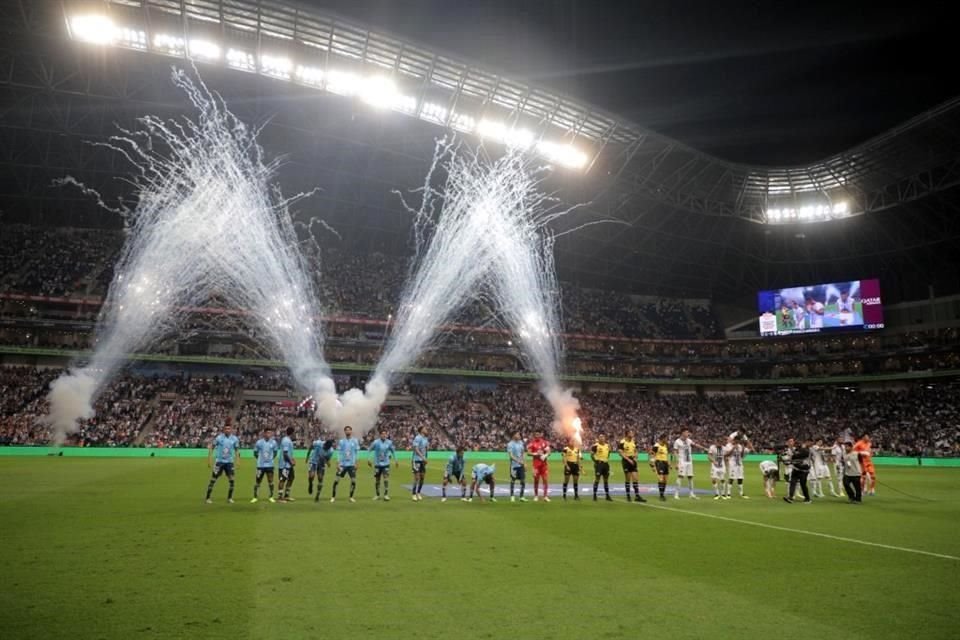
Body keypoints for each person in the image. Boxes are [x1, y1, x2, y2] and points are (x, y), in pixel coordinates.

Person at [205, 418, 240, 504]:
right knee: (213, 479)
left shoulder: (234, 439)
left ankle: (229, 498)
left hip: (229, 462)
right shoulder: (219, 438)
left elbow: (236, 450)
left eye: (229, 429)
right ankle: (208, 498)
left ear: (231, 429)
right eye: (226, 429)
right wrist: (209, 459)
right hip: (219, 462)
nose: (227, 430)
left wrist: (238, 461)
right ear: (224, 429)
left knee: (232, 479)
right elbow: (211, 448)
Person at [331, 425, 360, 503]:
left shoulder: (355, 441)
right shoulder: (341, 441)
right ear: (344, 432)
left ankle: (351, 497)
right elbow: (339, 453)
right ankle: (333, 496)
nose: (348, 431)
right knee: (336, 480)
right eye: (346, 430)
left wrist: (357, 463)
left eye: (349, 430)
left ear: (351, 431)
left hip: (351, 464)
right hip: (342, 464)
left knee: (353, 480)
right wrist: (338, 463)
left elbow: (357, 453)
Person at [368, 428, 397, 501]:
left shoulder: (389, 442)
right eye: (383, 434)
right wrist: (369, 459)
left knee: (386, 479)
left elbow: (393, 451)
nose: (384, 435)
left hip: (386, 464)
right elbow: (370, 450)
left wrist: (396, 460)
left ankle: (386, 495)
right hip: (377, 464)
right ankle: (377, 495)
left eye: (385, 434)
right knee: (377, 480)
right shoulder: (376, 442)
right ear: (380, 435)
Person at [251, 427, 277, 504]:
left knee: (270, 480)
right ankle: (255, 497)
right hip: (260, 466)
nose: (269, 434)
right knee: (258, 481)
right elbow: (255, 453)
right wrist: (259, 460)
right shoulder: (259, 442)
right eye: (267, 433)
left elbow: (275, 453)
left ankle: (271, 496)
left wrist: (270, 459)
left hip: (270, 465)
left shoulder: (274, 443)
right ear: (264, 433)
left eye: (270, 433)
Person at [673, 428, 700, 500]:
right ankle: (676, 494)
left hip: (689, 461)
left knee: (690, 477)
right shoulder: (677, 441)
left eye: (688, 432)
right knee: (680, 476)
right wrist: (677, 462)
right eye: (686, 432)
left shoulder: (689, 440)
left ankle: (691, 494)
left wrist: (704, 448)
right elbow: (675, 452)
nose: (688, 433)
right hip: (682, 461)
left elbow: (695, 445)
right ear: (682, 433)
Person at [722, 434, 752, 499]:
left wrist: (743, 449)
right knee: (731, 478)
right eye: (736, 441)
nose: (737, 442)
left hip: (739, 464)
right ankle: (728, 493)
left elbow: (741, 455)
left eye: (738, 441)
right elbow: (726, 454)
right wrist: (733, 448)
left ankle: (741, 493)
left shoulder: (739, 446)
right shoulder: (728, 445)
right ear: (734, 440)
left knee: (740, 478)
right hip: (732, 464)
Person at [618, 430, 643, 502]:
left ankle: (637, 496)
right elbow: (620, 453)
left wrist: (635, 457)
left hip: (633, 460)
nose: (632, 434)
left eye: (632, 433)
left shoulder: (634, 441)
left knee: (635, 478)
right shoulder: (622, 442)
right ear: (627, 434)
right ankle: (628, 495)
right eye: (631, 433)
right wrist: (629, 460)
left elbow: (636, 450)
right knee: (628, 479)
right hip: (626, 461)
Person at [783, 439, 812, 504]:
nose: (798, 445)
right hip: (796, 469)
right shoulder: (798, 450)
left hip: (803, 471)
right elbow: (794, 457)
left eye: (799, 444)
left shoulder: (806, 451)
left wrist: (791, 458)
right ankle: (790, 497)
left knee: (803, 485)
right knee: (792, 483)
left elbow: (796, 456)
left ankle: (808, 499)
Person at [527, 429, 551, 502]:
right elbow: (528, 453)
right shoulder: (532, 443)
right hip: (535, 465)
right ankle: (536, 495)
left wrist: (545, 455)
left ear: (540, 434)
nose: (537, 436)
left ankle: (545, 496)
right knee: (536, 480)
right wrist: (536, 454)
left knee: (545, 480)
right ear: (534, 435)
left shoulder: (544, 442)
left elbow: (549, 452)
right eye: (536, 434)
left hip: (544, 465)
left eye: (538, 434)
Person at [591, 433, 613, 502]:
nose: (602, 438)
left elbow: (609, 453)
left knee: (606, 480)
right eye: (600, 437)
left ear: (605, 438)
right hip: (599, 464)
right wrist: (596, 461)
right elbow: (591, 455)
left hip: (606, 464)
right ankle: (594, 495)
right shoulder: (595, 446)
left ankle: (607, 495)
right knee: (597, 479)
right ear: (598, 438)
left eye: (603, 437)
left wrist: (606, 460)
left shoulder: (607, 446)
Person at [277, 426, 296, 502]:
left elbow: (288, 452)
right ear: (292, 433)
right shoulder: (286, 441)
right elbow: (285, 453)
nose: (295, 434)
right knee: (282, 479)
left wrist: (292, 459)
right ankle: (280, 497)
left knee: (291, 478)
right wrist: (291, 461)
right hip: (284, 464)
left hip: (289, 465)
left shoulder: (289, 440)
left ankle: (286, 495)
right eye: (294, 433)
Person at [507, 432, 527, 502]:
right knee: (513, 480)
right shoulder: (510, 444)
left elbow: (523, 453)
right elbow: (511, 455)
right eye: (517, 434)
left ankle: (521, 496)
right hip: (514, 466)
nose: (519, 435)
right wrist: (518, 461)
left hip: (521, 465)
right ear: (513, 435)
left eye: (519, 434)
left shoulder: (521, 443)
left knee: (523, 480)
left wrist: (524, 463)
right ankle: (512, 496)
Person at [649, 436, 670, 501]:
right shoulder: (656, 445)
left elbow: (666, 455)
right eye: (666, 438)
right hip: (659, 462)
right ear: (662, 439)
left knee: (665, 480)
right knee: (661, 479)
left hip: (665, 463)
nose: (667, 440)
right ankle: (661, 495)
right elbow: (652, 454)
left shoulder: (666, 446)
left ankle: (662, 493)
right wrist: (652, 464)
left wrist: (669, 464)